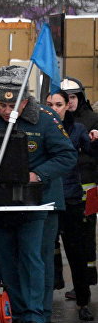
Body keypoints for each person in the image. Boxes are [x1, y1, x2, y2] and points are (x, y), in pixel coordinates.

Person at [0, 66, 76, 323]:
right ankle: (18, 311)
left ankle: (35, 314)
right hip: (2, 202)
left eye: (12, 104)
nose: (6, 110)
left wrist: (38, 174)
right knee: (7, 259)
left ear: (25, 101)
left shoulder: (45, 118)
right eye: (3, 104)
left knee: (33, 257)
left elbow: (67, 156)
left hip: (38, 201)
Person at [48, 90, 97, 321]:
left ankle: (83, 301)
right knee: (45, 254)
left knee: (76, 254)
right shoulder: (42, 127)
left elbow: (92, 153)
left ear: (68, 105)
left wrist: (95, 140)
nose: (54, 108)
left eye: (58, 104)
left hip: (71, 198)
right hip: (47, 199)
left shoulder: (76, 129)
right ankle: (41, 304)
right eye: (49, 104)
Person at [60, 77, 98, 293]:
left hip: (87, 185)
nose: (70, 102)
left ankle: (87, 280)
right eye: (66, 98)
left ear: (80, 97)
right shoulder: (55, 121)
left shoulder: (92, 120)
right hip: (63, 189)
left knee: (85, 237)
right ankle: (58, 280)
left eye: (73, 97)